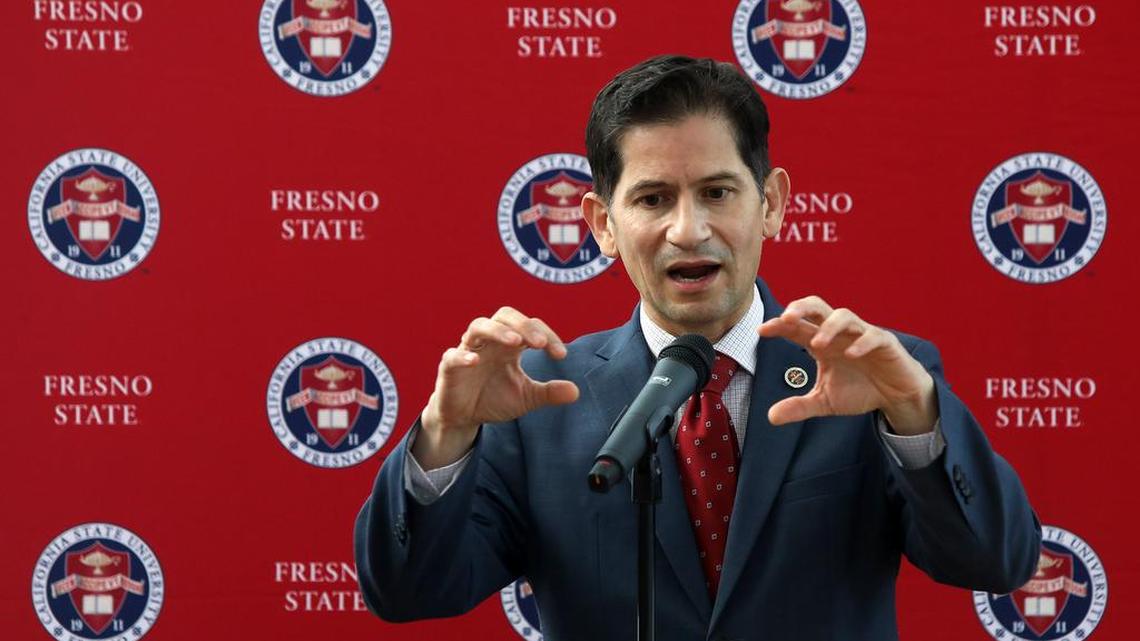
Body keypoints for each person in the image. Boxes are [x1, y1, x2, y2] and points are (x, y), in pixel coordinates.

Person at [354, 55, 1040, 640]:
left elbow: (995, 562)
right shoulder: (538, 399)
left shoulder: (874, 376)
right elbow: (410, 592)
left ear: (770, 203)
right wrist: (446, 434)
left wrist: (914, 414)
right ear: (602, 224)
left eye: (717, 191)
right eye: (653, 199)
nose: (689, 229)